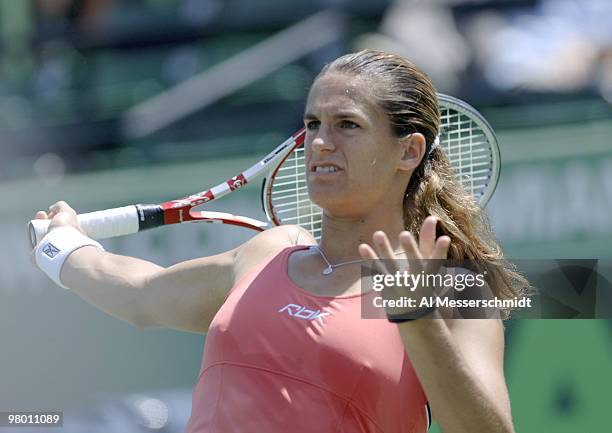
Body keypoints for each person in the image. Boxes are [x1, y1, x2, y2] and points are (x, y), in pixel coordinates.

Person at [32, 50, 526, 433]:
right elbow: (142, 295)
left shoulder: (452, 288)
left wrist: (418, 322)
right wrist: (60, 247)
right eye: (313, 124)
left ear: (409, 150)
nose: (320, 142)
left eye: (347, 125)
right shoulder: (269, 252)